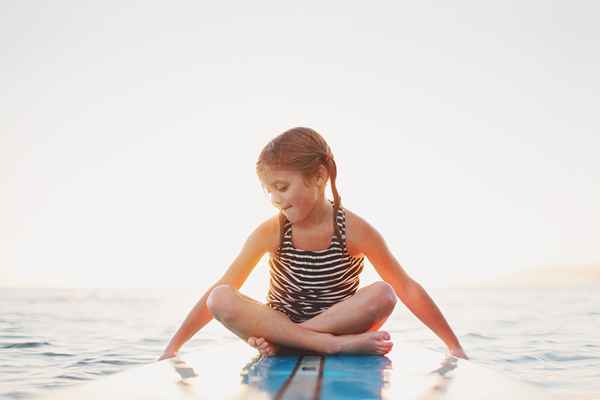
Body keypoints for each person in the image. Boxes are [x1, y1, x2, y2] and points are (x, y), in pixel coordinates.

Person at [159, 127, 468, 361]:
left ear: (319, 177)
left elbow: (406, 287)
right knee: (220, 298)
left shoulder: (354, 230)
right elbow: (223, 287)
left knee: (384, 293)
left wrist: (453, 346)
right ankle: (326, 345)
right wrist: (173, 348)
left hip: (327, 326)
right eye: (268, 191)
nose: (275, 199)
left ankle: (293, 341)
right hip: (293, 326)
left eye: (282, 187)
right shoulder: (272, 232)